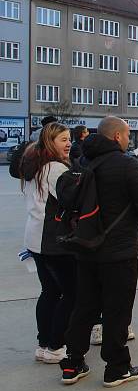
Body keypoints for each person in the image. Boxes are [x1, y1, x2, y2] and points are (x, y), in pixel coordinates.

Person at [59, 116, 138, 387]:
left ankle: (72, 363)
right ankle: (117, 367)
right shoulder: (126, 164)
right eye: (128, 134)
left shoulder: (83, 162)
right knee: (117, 310)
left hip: (86, 249)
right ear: (117, 137)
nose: (129, 139)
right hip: (119, 253)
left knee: (84, 307)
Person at [21, 123, 75, 364]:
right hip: (53, 241)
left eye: (69, 138)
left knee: (50, 291)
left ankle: (43, 344)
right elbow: (73, 200)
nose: (69, 143)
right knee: (71, 293)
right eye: (63, 139)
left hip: (35, 238)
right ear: (50, 142)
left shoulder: (34, 166)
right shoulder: (54, 169)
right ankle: (55, 345)